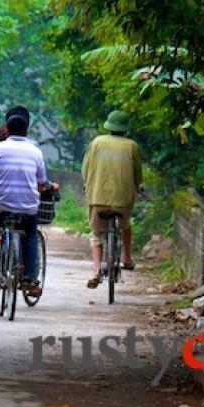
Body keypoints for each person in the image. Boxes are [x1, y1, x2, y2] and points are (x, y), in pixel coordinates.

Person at [0, 107, 53, 297]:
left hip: (1, 204)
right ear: (27, 131)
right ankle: (30, 278)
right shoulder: (35, 151)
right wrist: (42, 188)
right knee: (31, 235)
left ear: (7, 131)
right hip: (27, 207)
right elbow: (42, 182)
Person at [82, 110, 143, 289]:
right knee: (125, 225)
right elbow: (137, 173)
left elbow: (85, 169)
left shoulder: (96, 143)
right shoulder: (132, 146)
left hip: (97, 197)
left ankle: (95, 271)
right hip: (123, 200)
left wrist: (87, 184)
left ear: (108, 126)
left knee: (96, 234)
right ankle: (127, 258)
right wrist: (139, 185)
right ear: (125, 128)